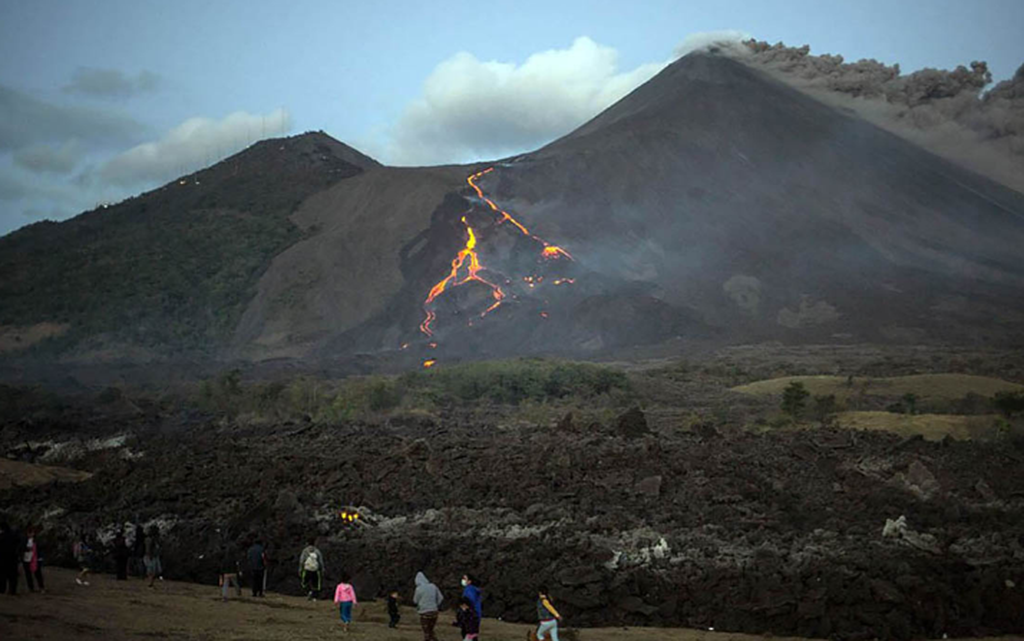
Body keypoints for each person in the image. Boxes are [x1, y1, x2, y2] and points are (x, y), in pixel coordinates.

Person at [413, 571, 444, 641]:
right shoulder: (433, 586)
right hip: (434, 611)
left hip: (424, 612)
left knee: (426, 632)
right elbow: (441, 598)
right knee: (431, 630)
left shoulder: (418, 589)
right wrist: (435, 605)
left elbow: (415, 600)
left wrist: (420, 605)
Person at [22, 526, 45, 592]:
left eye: (31, 533)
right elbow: (21, 548)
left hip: (35, 558)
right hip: (26, 558)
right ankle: (31, 587)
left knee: (37, 573)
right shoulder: (24, 540)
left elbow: (40, 548)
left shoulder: (37, 540)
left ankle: (41, 587)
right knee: (28, 574)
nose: (30, 534)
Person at [0, 521, 20, 595]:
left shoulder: (1, 536)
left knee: (2, 575)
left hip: (3, 559)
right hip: (13, 558)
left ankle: (2, 589)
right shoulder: (14, 535)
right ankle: (12, 590)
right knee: (13, 576)